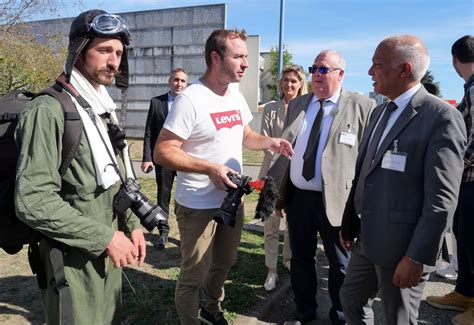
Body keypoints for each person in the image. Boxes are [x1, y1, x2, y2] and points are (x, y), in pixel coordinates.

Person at [14, 10, 146, 324]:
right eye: (104, 51)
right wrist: (105, 238)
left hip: (106, 259)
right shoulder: (47, 111)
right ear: (79, 49)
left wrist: (132, 224)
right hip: (71, 264)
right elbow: (32, 201)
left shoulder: (100, 109)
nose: (114, 61)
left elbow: (116, 179)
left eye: (119, 53)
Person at [154, 29, 293, 325]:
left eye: (246, 56)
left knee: (224, 263)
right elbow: (163, 151)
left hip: (232, 199)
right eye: (239, 56)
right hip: (197, 205)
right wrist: (209, 168)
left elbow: (246, 135)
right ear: (216, 58)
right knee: (194, 274)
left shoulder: (235, 95)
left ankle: (212, 308)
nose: (245, 63)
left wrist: (270, 142)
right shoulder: (191, 99)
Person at [339, 35, 467, 324]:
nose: (370, 72)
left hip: (403, 248)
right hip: (367, 238)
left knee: (398, 318)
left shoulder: (441, 117)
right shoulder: (380, 111)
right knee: (351, 299)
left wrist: (417, 257)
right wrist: (349, 221)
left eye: (376, 64)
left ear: (404, 69)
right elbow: (365, 173)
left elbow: (442, 199)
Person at [268, 50, 376, 324]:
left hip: (339, 201)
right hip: (298, 198)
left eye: (323, 69)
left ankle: (341, 316)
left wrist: (361, 205)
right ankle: (304, 312)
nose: (316, 74)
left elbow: (368, 159)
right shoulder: (300, 103)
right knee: (301, 259)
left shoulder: (362, 106)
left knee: (341, 264)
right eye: (314, 68)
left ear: (340, 74)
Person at [426, 35, 474, 325]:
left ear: (455, 60)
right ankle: (466, 292)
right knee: (463, 236)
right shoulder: (470, 88)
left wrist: (454, 163)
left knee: (472, 239)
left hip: (470, 178)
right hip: (466, 182)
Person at [259, 64, 307, 292]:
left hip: (296, 176)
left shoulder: (307, 109)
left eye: (294, 81)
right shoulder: (270, 109)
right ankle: (271, 270)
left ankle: (288, 259)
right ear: (280, 83)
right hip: (271, 175)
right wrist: (281, 158)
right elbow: (265, 141)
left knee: (292, 224)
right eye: (286, 80)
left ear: (300, 85)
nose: (289, 84)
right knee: (270, 225)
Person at [142, 67, 188, 250]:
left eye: (183, 81)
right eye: (176, 79)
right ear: (170, 81)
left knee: (186, 196)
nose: (179, 83)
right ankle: (163, 232)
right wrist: (147, 157)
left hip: (186, 159)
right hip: (165, 159)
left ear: (187, 84)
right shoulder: (156, 102)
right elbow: (149, 132)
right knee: (163, 195)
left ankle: (186, 233)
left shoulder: (192, 103)